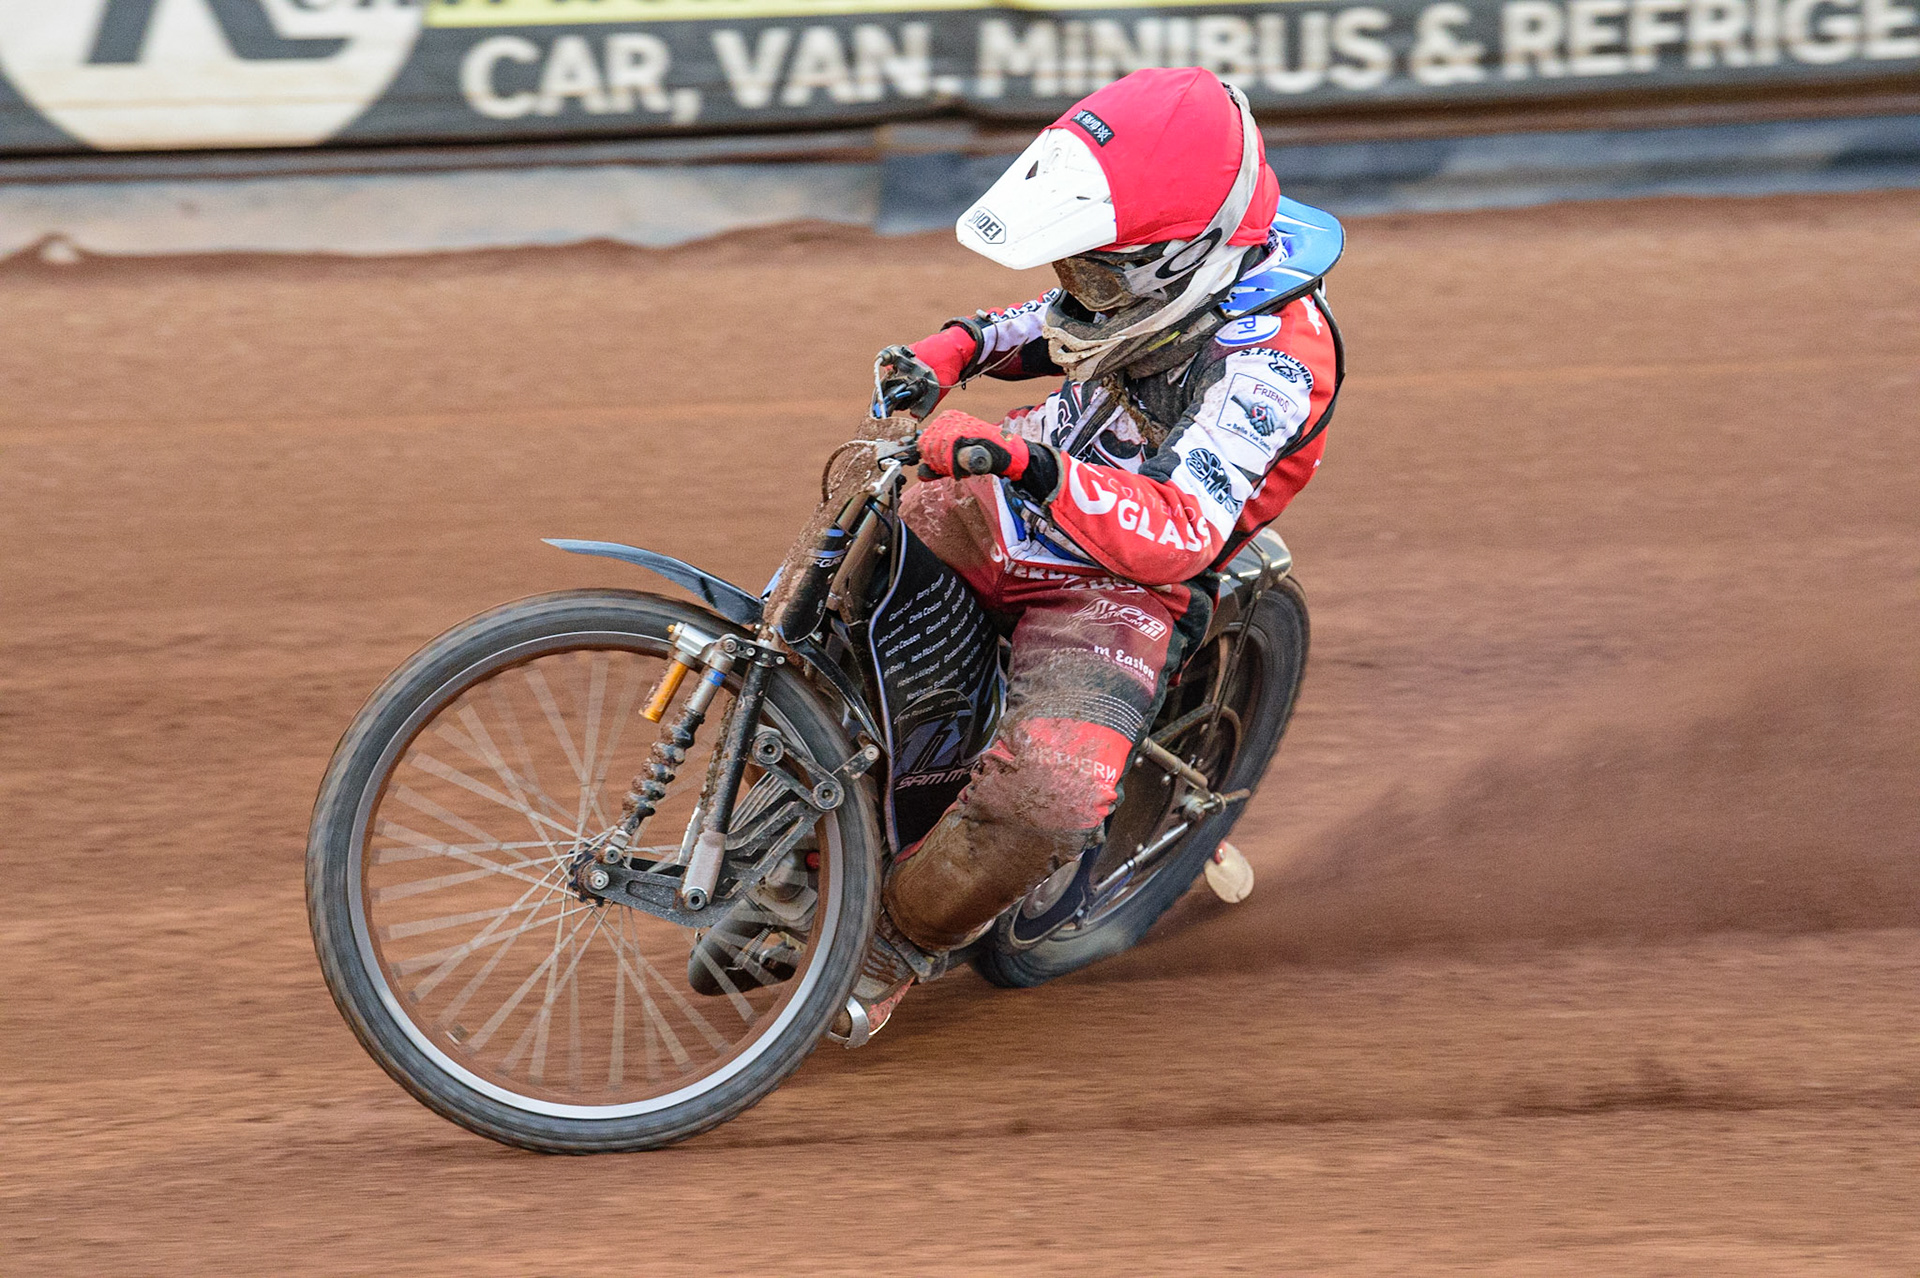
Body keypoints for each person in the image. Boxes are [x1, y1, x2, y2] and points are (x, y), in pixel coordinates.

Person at [839, 66, 1342, 1043]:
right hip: (1030, 489)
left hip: (1128, 580)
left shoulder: (1275, 364)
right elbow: (1069, 323)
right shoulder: (1160, 270)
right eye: (1081, 267)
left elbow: (1185, 531)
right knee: (858, 540)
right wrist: (958, 346)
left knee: (1050, 791)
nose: (1082, 290)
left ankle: (894, 942)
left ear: (1182, 256)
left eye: (1101, 272)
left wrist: (1022, 460)